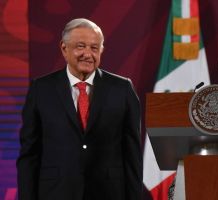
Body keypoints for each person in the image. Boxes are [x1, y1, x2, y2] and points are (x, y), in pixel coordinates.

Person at [16, 18, 142, 200]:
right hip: (55, 193)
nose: (88, 54)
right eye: (80, 46)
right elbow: (29, 154)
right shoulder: (41, 89)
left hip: (110, 193)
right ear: (64, 48)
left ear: (101, 50)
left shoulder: (123, 89)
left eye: (94, 47)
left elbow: (132, 155)